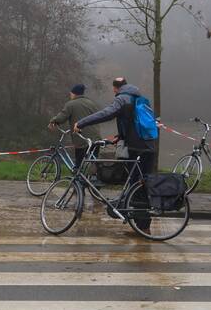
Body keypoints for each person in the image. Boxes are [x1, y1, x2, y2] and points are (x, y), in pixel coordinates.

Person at [74, 77, 158, 232]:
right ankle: (137, 220)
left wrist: (81, 123)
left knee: (138, 186)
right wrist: (121, 136)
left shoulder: (122, 99)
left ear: (115, 88)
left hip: (137, 147)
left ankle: (144, 227)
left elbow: (107, 113)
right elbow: (135, 123)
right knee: (140, 184)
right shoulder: (139, 98)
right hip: (148, 145)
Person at [48, 84, 101, 168]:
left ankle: (79, 178)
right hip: (95, 138)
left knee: (79, 164)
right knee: (93, 161)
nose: (70, 95)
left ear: (74, 94)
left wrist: (53, 121)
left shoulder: (71, 104)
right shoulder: (91, 103)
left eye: (71, 94)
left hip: (82, 138)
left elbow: (62, 117)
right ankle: (93, 178)